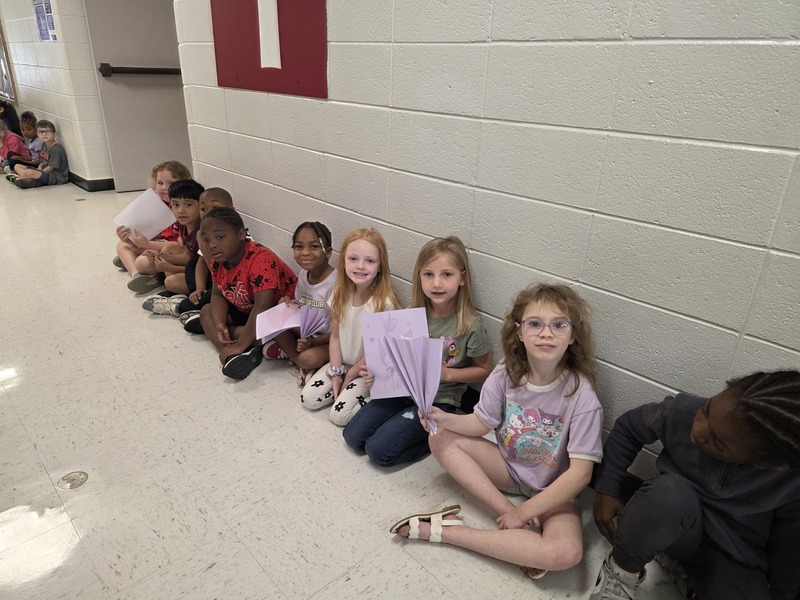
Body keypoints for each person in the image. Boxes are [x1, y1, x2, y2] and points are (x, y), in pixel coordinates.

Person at [390, 283, 602, 581]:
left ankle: (455, 532)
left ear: (573, 335)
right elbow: (480, 423)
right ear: (519, 331)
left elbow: (580, 475)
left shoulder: (582, 396)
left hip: (553, 488)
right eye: (535, 324)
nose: (546, 333)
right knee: (438, 436)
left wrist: (526, 511)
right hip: (508, 468)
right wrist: (444, 419)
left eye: (558, 325)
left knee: (565, 554)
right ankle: (499, 517)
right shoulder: (505, 373)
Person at [589, 370, 800, 600]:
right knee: (667, 494)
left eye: (717, 442)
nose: (697, 431)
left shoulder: (790, 483)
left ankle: (695, 583)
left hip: (730, 558)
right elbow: (629, 428)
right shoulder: (683, 413)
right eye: (706, 410)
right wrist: (607, 486)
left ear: (765, 463)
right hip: (677, 520)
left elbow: (788, 551)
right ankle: (620, 575)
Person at [343, 236, 494, 467]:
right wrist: (375, 373)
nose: (436, 283)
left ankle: (442, 434)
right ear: (419, 277)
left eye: (446, 274)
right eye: (428, 274)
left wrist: (448, 375)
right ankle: (404, 423)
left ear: (462, 278)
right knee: (352, 437)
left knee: (378, 452)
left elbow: (485, 369)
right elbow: (393, 358)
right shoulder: (412, 314)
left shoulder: (469, 324)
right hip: (402, 390)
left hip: (437, 400)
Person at [301, 227, 399, 426]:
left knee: (339, 416)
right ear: (343, 260)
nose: (360, 266)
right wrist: (337, 373)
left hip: (366, 370)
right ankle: (336, 386)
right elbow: (335, 337)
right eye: (353, 259)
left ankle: (377, 398)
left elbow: (373, 353)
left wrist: (349, 377)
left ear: (380, 266)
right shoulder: (339, 293)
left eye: (370, 261)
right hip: (342, 363)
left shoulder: (384, 304)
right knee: (308, 399)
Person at [198, 207, 297, 380]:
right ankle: (238, 355)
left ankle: (240, 346)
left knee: (271, 330)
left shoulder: (260, 259)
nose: (212, 245)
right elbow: (217, 295)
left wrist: (240, 342)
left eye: (220, 237)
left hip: (275, 315)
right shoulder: (217, 260)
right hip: (246, 310)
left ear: (241, 234)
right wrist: (220, 324)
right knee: (207, 312)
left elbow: (263, 305)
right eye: (206, 240)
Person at [263, 221, 337, 385]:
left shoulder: (336, 284)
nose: (305, 253)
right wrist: (289, 305)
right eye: (298, 247)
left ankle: (302, 362)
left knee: (307, 358)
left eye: (314, 247)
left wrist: (313, 343)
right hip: (307, 334)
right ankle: (300, 362)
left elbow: (341, 332)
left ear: (328, 252)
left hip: (328, 340)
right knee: (275, 317)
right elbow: (301, 303)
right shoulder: (304, 274)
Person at [151, 187, 235, 319]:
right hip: (214, 281)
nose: (208, 213)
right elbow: (202, 261)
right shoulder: (203, 233)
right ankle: (192, 301)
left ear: (231, 210)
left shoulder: (233, 236)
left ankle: (181, 307)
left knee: (194, 307)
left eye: (214, 207)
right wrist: (199, 289)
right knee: (192, 265)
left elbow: (223, 273)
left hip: (229, 286)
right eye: (204, 209)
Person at [113, 160, 191, 293]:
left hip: (174, 251)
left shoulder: (182, 208)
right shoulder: (157, 204)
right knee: (122, 245)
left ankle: (150, 273)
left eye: (170, 183)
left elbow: (179, 246)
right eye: (160, 183)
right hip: (158, 245)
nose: (164, 188)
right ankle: (136, 275)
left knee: (141, 263)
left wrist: (147, 244)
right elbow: (155, 232)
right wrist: (130, 238)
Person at [140, 179, 204, 312]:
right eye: (176, 205)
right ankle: (177, 292)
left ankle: (182, 296)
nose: (181, 210)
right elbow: (188, 256)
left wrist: (171, 267)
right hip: (192, 268)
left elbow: (200, 268)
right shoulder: (183, 225)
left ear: (200, 206)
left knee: (170, 282)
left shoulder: (202, 232)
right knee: (168, 250)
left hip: (203, 278)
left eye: (188, 205)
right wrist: (161, 257)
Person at [12, 120, 69, 189]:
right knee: (17, 166)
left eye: (47, 132)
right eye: (41, 132)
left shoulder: (56, 149)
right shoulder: (43, 145)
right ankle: (28, 180)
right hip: (43, 172)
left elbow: (50, 168)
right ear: (37, 134)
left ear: (54, 134)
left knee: (29, 172)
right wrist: (37, 172)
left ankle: (23, 179)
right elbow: (42, 163)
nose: (44, 135)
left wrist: (38, 174)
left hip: (54, 176)